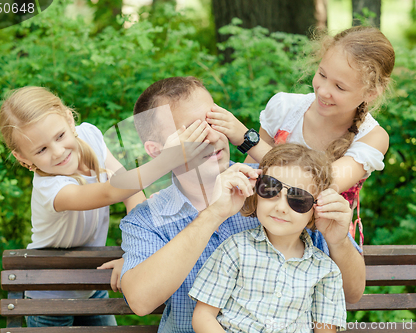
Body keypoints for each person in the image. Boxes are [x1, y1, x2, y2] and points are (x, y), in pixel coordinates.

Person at [120, 76, 365, 333]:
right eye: (193, 131)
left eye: (213, 120)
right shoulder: (147, 218)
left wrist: (337, 243)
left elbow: (353, 293)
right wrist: (213, 214)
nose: (213, 136)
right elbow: (140, 301)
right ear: (158, 151)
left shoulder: (276, 188)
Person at [206, 26, 395, 246]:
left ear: (370, 93)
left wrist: (247, 139)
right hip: (259, 232)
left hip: (321, 246)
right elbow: (250, 179)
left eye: (340, 87)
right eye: (322, 74)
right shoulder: (285, 109)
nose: (323, 90)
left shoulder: (372, 138)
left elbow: (318, 184)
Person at [0, 86, 146, 327]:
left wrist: (135, 249)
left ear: (69, 118)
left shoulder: (91, 136)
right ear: (22, 158)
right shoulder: (51, 188)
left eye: (60, 136)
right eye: (41, 150)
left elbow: (133, 193)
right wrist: (169, 159)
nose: (58, 152)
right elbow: (113, 190)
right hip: (49, 296)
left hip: (92, 284)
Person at [190, 143, 348, 333]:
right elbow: (203, 317)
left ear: (317, 208)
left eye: (298, 199)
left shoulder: (325, 271)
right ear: (256, 192)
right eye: (270, 189)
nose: (281, 207)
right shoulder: (235, 249)